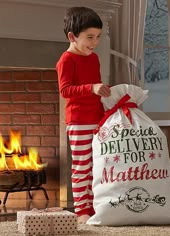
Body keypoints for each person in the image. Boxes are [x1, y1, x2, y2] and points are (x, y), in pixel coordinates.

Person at [56, 6, 111, 224]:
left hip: (97, 118)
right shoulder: (66, 60)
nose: (94, 42)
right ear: (72, 36)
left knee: (98, 165)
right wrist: (91, 88)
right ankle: (82, 211)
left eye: (97, 37)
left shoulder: (94, 58)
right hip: (78, 121)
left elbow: (96, 89)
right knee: (82, 166)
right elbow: (65, 90)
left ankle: (97, 205)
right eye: (89, 37)